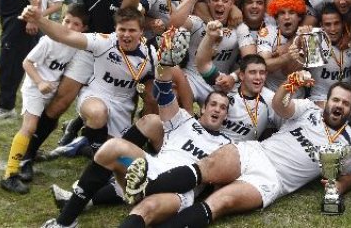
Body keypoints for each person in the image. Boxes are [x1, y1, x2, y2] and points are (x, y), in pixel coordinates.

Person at [123, 75, 351, 227]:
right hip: (255, 152)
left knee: (220, 203)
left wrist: (340, 186)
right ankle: (146, 188)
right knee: (207, 167)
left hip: (271, 180)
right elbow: (280, 105)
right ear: (327, 101)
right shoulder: (309, 109)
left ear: (350, 110)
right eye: (335, 100)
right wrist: (289, 85)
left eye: (345, 103)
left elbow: (350, 174)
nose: (338, 105)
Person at [42, 49, 232, 228]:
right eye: (213, 104)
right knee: (114, 148)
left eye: (223, 108)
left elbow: (220, 188)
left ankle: (92, 196)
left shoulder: (227, 145)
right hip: (149, 169)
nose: (217, 109)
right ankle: (64, 222)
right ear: (204, 108)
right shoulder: (185, 120)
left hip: (178, 192)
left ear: (225, 116)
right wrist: (164, 65)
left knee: (145, 208)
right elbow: (163, 93)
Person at [20, 6, 155, 152]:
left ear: (141, 31)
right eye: (122, 30)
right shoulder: (104, 41)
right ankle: (28, 154)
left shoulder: (150, 55)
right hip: (96, 95)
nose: (126, 35)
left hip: (123, 103)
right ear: (115, 29)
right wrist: (39, 20)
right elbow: (65, 35)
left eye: (132, 30)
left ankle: (83, 143)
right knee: (94, 112)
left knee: (117, 152)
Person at [0, 4, 88, 194]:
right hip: (35, 88)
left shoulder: (77, 46)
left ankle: (28, 155)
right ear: (60, 20)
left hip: (50, 90)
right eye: (66, 21)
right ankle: (10, 174)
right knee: (30, 127)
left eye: (76, 24)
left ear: (84, 29)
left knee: (50, 123)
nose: (70, 27)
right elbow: (27, 62)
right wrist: (39, 82)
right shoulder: (48, 41)